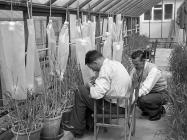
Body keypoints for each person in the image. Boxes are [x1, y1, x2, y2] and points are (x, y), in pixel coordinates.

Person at [61, 50, 132, 140]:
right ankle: (86, 125)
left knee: (80, 90)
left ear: (95, 62)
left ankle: (77, 129)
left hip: (114, 108)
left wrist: (89, 85)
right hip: (125, 104)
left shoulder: (105, 69)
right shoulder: (116, 64)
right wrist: (97, 81)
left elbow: (96, 94)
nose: (93, 70)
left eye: (92, 67)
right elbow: (110, 84)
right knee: (84, 93)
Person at [130, 50, 168, 121]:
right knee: (137, 97)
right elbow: (129, 82)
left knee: (141, 99)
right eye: (133, 64)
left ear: (143, 61)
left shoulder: (153, 69)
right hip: (151, 93)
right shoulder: (135, 70)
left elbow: (145, 89)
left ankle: (158, 112)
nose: (135, 66)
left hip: (161, 93)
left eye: (137, 64)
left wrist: (132, 97)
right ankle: (149, 109)